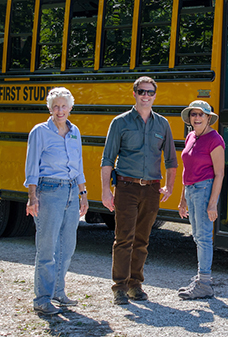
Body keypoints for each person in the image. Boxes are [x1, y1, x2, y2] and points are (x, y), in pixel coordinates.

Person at [101, 76, 178, 305]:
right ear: (134, 93)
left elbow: (172, 160)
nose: (146, 96)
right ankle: (119, 287)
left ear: (155, 95)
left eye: (150, 92)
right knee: (123, 238)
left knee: (142, 240)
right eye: (142, 92)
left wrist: (170, 187)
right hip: (126, 187)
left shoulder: (162, 124)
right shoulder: (120, 122)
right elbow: (107, 159)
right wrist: (106, 191)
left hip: (152, 189)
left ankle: (136, 284)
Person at [24, 87, 88, 315]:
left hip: (72, 190)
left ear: (70, 108)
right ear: (50, 108)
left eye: (64, 106)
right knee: (47, 247)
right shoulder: (39, 132)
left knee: (67, 246)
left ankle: (58, 292)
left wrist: (83, 193)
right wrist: (32, 197)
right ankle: (42, 298)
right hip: (49, 190)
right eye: (56, 106)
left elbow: (78, 164)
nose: (60, 111)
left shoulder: (74, 131)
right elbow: (31, 167)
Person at [177, 100, 225, 300]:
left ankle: (204, 283)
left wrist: (213, 203)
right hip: (191, 190)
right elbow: (186, 170)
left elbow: (220, 173)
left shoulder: (215, 139)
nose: (196, 118)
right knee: (197, 236)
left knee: (204, 237)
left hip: (205, 190)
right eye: (193, 114)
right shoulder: (190, 137)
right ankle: (200, 279)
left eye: (201, 114)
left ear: (208, 118)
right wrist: (182, 199)